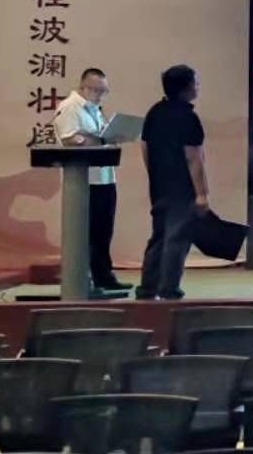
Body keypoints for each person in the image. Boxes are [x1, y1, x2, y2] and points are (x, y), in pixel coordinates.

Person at [52, 68, 127, 296]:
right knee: (89, 234)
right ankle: (87, 280)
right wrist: (97, 139)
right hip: (84, 181)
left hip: (104, 177)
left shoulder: (94, 109)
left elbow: (95, 137)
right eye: (98, 90)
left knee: (103, 232)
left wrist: (109, 136)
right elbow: (69, 139)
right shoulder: (70, 107)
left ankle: (104, 276)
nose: (101, 95)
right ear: (84, 87)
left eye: (104, 91)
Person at [137, 64, 208, 301]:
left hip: (159, 184)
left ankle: (147, 288)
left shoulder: (155, 111)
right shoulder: (188, 117)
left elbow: (145, 147)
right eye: (196, 82)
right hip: (182, 187)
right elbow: (193, 158)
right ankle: (169, 289)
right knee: (177, 238)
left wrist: (154, 174)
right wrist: (201, 194)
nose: (198, 86)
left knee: (159, 236)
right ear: (187, 88)